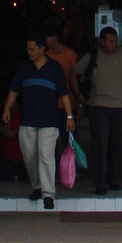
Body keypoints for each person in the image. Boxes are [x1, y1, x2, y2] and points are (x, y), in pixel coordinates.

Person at [2, 33, 75, 210]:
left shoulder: (55, 68)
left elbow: (64, 93)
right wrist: (6, 109)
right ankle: (38, 186)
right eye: (28, 49)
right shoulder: (23, 68)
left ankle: (48, 194)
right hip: (28, 120)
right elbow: (14, 90)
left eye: (32, 49)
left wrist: (69, 116)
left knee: (46, 156)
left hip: (49, 120)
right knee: (29, 156)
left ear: (42, 49)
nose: (29, 52)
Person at [73, 26, 122, 195]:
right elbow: (72, 73)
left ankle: (112, 177)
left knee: (117, 145)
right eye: (110, 42)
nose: (114, 45)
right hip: (99, 106)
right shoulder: (92, 57)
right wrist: (79, 96)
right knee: (100, 146)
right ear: (102, 42)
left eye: (115, 41)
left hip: (120, 107)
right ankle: (100, 181)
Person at [44, 22, 79, 160]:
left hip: (67, 103)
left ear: (54, 38)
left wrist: (79, 103)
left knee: (69, 138)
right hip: (50, 104)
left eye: (47, 37)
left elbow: (77, 78)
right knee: (50, 140)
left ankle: (73, 169)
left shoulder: (70, 55)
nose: (45, 41)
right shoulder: (46, 55)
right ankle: (55, 170)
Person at [0, 103, 27, 182]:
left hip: (13, 156)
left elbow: (12, 134)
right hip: (5, 154)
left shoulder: (19, 115)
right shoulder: (11, 115)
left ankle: (17, 175)